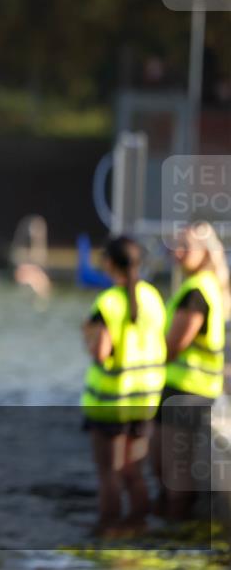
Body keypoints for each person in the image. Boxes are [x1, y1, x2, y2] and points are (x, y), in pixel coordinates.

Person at [80, 236, 167, 537]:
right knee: (134, 473)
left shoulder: (108, 302)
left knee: (110, 475)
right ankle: (139, 529)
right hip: (144, 402)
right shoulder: (153, 296)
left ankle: (108, 534)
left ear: (109, 263)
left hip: (110, 403)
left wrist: (87, 334)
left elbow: (100, 351)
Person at [152, 222, 229, 520]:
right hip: (185, 388)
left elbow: (173, 345)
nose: (177, 253)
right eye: (175, 246)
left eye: (185, 247)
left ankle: (177, 531)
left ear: (205, 252)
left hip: (187, 391)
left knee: (175, 471)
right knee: (166, 466)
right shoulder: (202, 285)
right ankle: (171, 525)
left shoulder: (197, 291)